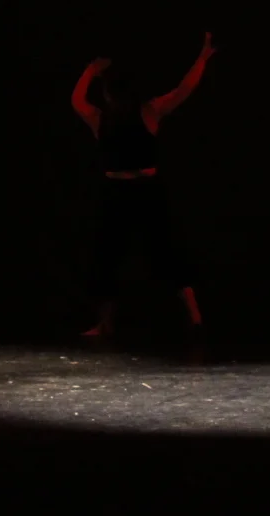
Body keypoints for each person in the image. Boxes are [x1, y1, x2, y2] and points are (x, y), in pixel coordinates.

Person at [70, 34, 215, 337]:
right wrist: (201, 58)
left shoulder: (128, 114)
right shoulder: (140, 112)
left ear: (108, 93)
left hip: (136, 192)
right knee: (111, 256)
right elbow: (183, 90)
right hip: (131, 192)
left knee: (160, 253)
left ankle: (193, 317)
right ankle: (111, 323)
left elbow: (77, 101)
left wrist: (90, 71)